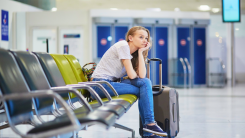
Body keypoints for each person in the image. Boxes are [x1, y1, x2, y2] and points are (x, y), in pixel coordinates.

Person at [91, 26, 167, 138]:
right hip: (99, 86)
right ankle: (149, 127)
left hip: (110, 84)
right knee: (144, 88)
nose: (145, 40)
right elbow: (132, 75)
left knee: (145, 83)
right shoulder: (123, 46)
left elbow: (141, 75)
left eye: (146, 38)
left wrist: (141, 53)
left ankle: (149, 127)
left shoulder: (135, 53)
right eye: (141, 37)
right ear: (130, 38)